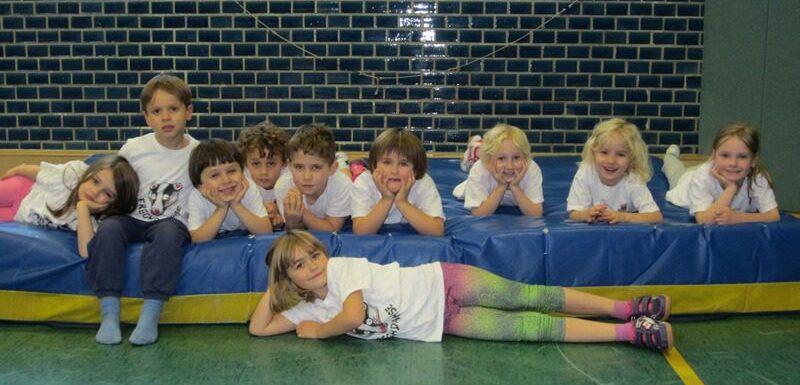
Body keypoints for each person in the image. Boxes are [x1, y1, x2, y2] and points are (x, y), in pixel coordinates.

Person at [248, 230, 674, 351]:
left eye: (313, 256)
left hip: (444, 280)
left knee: (530, 296)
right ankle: (632, 333)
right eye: (299, 267)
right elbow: (259, 330)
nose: (312, 268)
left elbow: (354, 316)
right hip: (445, 321)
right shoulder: (310, 308)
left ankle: (626, 308)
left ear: (324, 254)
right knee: (530, 329)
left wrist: (321, 333)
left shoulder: (341, 269)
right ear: (290, 279)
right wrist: (274, 287)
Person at [86, 73, 199, 346]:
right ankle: (110, 313)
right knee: (110, 229)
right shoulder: (135, 148)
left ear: (189, 112)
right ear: (147, 118)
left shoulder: (197, 152)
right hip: (131, 217)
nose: (166, 117)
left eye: (173, 109)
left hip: (169, 222)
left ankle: (150, 314)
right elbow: (114, 179)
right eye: (157, 111)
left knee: (168, 235)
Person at [1, 155, 138, 257]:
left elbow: (86, 252)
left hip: (17, 215)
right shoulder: (70, 177)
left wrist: (83, 208)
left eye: (107, 194)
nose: (95, 192)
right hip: (23, 189)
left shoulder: (92, 222)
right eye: (95, 181)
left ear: (114, 204)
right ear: (88, 175)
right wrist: (17, 170)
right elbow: (39, 172)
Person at [664, 123, 779, 224]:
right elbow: (704, 220)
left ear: (753, 160)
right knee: (675, 171)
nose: (733, 163)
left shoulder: (757, 178)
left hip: (715, 169)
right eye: (725, 155)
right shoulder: (702, 177)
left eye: (742, 157)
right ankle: (670, 155)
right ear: (714, 155)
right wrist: (731, 188)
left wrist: (738, 218)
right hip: (686, 182)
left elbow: (773, 215)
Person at [567, 119, 663, 224]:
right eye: (604, 152)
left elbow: (656, 216)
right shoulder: (586, 172)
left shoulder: (633, 178)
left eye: (621, 154)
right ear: (593, 152)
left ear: (631, 158)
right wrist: (585, 214)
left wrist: (623, 217)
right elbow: (574, 213)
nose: (611, 161)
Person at [351, 129, 445, 236]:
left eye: (403, 164)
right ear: (374, 166)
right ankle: (352, 166)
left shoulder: (423, 183)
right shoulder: (364, 182)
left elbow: (437, 231)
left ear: (415, 170)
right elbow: (361, 232)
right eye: (387, 162)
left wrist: (402, 202)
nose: (394, 171)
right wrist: (386, 199)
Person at [187, 139, 271, 242]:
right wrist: (221, 208)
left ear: (242, 172)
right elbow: (197, 239)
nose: (226, 180)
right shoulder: (198, 196)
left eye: (231, 171)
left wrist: (236, 204)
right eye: (215, 175)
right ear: (200, 185)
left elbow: (266, 232)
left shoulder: (247, 188)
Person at [273, 124, 351, 232]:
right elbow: (296, 233)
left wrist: (302, 211)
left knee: (352, 179)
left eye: (316, 167)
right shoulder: (284, 186)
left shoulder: (342, 185)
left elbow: (332, 229)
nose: (307, 177)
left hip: (342, 184)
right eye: (299, 167)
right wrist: (292, 220)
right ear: (289, 166)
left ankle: (343, 161)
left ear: (332, 169)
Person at [453, 124, 543, 217]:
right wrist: (501, 186)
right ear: (488, 161)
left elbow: (536, 213)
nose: (509, 166)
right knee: (462, 184)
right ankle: (473, 150)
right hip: (476, 187)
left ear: (524, 157)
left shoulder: (531, 169)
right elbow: (478, 213)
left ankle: (478, 145)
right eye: (501, 158)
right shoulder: (480, 170)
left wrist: (515, 187)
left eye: (516, 158)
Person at [237, 120, 289, 229]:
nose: (264, 172)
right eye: (256, 163)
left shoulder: (290, 177)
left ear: (284, 162)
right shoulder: (241, 181)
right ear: (245, 163)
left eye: (271, 163)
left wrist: (278, 211)